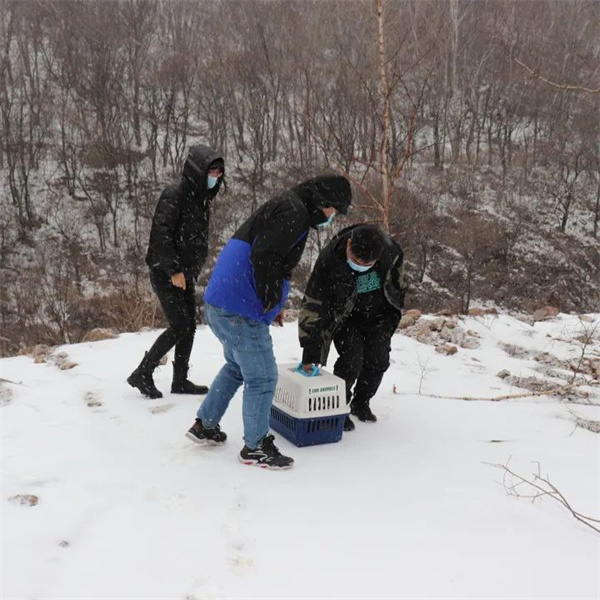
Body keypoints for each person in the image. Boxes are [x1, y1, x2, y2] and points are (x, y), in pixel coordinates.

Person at [185, 175, 353, 470]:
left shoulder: (289, 204)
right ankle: (255, 446)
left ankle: (205, 424)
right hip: (239, 308)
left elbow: (266, 257)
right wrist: (268, 299)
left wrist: (271, 303)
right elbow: (265, 257)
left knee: (237, 366)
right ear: (324, 203)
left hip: (222, 301)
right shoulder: (294, 211)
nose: (332, 218)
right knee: (262, 379)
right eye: (334, 211)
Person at [127, 145, 225, 399]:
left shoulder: (201, 198)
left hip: (185, 272)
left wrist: (188, 269)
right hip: (166, 272)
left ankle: (180, 380)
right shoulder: (175, 195)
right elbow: (161, 234)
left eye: (218, 172)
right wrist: (172, 269)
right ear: (197, 171)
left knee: (189, 325)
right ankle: (143, 372)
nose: (215, 176)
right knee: (180, 325)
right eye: (211, 171)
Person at [298, 224, 406, 431]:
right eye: (356, 261)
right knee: (351, 360)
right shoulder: (330, 259)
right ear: (349, 244)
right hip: (346, 319)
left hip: (379, 317)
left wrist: (393, 316)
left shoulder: (392, 253)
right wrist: (311, 349)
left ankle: (361, 402)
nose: (360, 265)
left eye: (367, 263)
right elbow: (314, 302)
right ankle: (339, 406)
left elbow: (398, 286)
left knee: (378, 360)